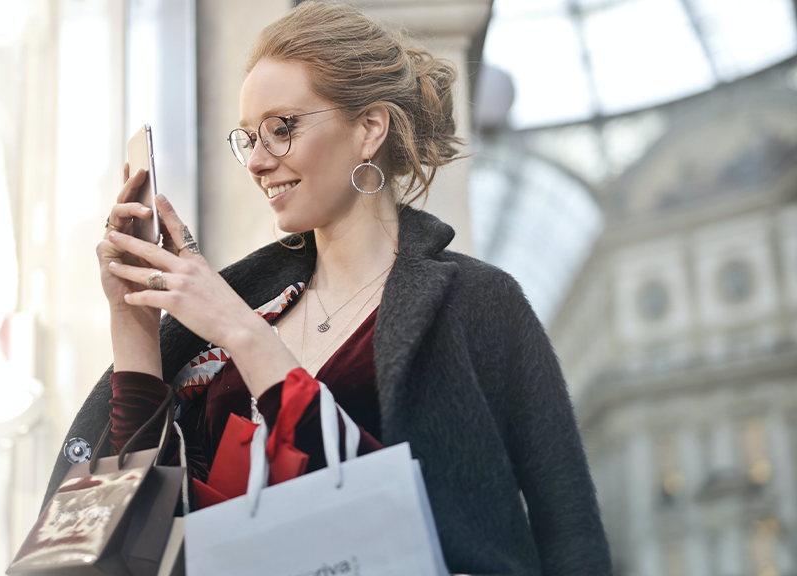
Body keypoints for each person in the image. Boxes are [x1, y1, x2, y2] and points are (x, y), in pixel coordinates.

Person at [42, 2, 613, 574]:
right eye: (247, 138)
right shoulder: (247, 309)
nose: (258, 162)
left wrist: (241, 332)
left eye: (281, 129)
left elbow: (571, 534)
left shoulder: (480, 303)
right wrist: (133, 322)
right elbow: (136, 530)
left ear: (369, 129)